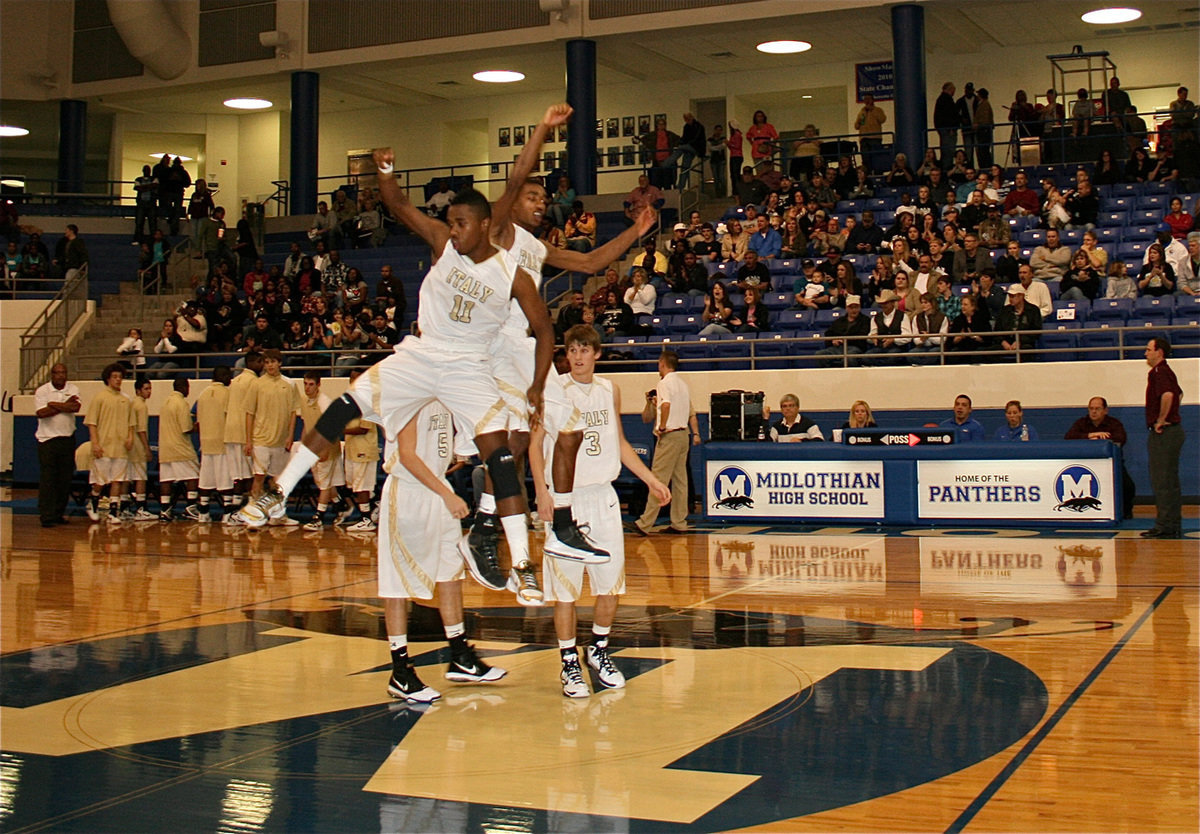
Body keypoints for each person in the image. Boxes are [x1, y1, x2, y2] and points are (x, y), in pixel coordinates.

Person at [241, 160, 556, 612]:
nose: (453, 231)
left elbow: (544, 331)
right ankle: (278, 491)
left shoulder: (512, 274)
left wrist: (537, 386)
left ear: (485, 225)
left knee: (501, 456)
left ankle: (522, 564)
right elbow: (400, 203)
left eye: (461, 224)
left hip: (469, 367)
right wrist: (386, 173)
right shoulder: (443, 245)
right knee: (344, 406)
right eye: (449, 223)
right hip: (422, 354)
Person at [527, 325, 670, 698]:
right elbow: (535, 444)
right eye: (572, 350)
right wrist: (541, 491)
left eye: (584, 350)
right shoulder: (553, 390)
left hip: (603, 498)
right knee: (566, 592)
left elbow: (619, 443)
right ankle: (568, 663)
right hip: (565, 501)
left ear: (597, 354)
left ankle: (599, 650)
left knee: (610, 586)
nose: (577, 357)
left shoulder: (610, 390)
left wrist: (652, 480)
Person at [378, 399, 506, 703]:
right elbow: (408, 455)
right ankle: (400, 670)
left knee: (450, 574)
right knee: (398, 585)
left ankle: (460, 654)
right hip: (408, 493)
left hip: (437, 490)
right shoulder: (409, 392)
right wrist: (444, 491)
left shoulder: (447, 391)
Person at [632, 350, 692, 535]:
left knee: (657, 479)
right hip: (684, 435)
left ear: (662, 363)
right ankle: (679, 522)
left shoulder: (664, 383)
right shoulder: (683, 384)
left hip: (671, 435)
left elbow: (666, 405)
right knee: (680, 481)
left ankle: (645, 522)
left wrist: (662, 426)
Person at [242, 349, 301, 521]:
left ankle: (277, 516)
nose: (270, 366)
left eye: (273, 362)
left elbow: (293, 413)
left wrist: (290, 436)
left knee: (278, 481)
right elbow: (249, 413)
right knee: (259, 478)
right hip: (260, 440)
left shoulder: (289, 384)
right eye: (267, 363)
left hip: (280, 441)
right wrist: (248, 441)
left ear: (280, 363)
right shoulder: (256, 384)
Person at [1065, 396, 1136, 519]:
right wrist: (1089, 435)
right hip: (1087, 465)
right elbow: (1069, 437)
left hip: (1112, 465)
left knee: (1128, 486)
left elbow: (1120, 439)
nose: (1093, 411)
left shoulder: (1114, 423)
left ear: (1105, 410)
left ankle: (1126, 513)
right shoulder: (1081, 423)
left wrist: (1099, 440)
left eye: (1097, 408)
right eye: (1091, 408)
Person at [1142, 338, 1185, 538]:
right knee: (1170, 481)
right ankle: (1172, 523)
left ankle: (1165, 525)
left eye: (1149, 350)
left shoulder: (1159, 372)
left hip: (1165, 433)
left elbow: (1168, 395)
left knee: (1162, 481)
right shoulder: (1167, 372)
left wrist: (1161, 419)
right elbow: (1179, 394)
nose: (1146, 353)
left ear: (1159, 352)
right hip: (1173, 431)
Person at [84, 364, 135, 523]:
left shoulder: (126, 399)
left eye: (120, 377)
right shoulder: (100, 398)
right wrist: (95, 443)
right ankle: (92, 503)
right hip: (104, 446)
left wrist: (130, 437)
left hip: (120, 448)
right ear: (108, 379)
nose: (118, 380)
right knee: (100, 481)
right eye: (114, 377)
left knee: (117, 480)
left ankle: (114, 512)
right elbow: (92, 422)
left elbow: (131, 423)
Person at [298, 372, 348, 531]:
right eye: (305, 384)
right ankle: (341, 506)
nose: (307, 388)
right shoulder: (304, 400)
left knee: (324, 484)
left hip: (327, 447)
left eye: (311, 384)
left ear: (318, 385)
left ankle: (318, 517)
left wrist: (325, 449)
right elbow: (306, 424)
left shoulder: (324, 401)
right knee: (322, 482)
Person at [34, 363, 81, 527]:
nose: (61, 375)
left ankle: (58, 513)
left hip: (67, 439)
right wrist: (63, 406)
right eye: (57, 373)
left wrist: (53, 404)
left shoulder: (73, 388)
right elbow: (41, 413)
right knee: (49, 480)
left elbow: (75, 407)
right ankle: (46, 516)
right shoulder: (42, 391)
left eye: (63, 372)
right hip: (47, 441)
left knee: (64, 479)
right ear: (52, 375)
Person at [341, 366, 380, 532]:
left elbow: (364, 428)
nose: (353, 382)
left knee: (362, 486)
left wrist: (340, 430)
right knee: (354, 485)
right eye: (351, 378)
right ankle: (374, 505)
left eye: (356, 378)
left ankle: (366, 519)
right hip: (351, 449)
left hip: (364, 450)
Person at [157, 377, 202, 521]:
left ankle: (164, 509)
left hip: (165, 449)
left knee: (166, 479)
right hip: (180, 448)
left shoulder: (165, 403)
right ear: (183, 387)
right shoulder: (181, 403)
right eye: (187, 387)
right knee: (193, 476)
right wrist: (201, 425)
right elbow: (186, 428)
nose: (188, 390)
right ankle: (191, 507)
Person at [195, 365, 235, 521]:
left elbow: (198, 422)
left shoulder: (202, 394)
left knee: (205, 479)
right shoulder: (227, 394)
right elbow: (231, 419)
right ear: (224, 377)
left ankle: (203, 513)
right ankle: (227, 514)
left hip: (205, 442)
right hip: (222, 442)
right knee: (225, 480)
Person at [123, 377, 156, 521]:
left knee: (127, 477)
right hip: (137, 447)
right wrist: (147, 448)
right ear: (138, 390)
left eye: (150, 389)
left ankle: (124, 509)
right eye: (146, 389)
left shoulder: (130, 404)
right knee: (140, 478)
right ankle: (141, 509)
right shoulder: (141, 406)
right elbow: (141, 430)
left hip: (128, 447)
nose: (149, 392)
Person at [994, 282, 1043, 360]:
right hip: (1006, 342)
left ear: (1021, 296)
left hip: (1024, 343)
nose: (1010, 299)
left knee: (1027, 350)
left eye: (1013, 296)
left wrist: (1020, 341)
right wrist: (1003, 341)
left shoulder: (1033, 310)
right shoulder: (1004, 310)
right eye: (1009, 296)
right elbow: (997, 330)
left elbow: (1036, 331)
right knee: (984, 352)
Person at [816, 295, 869, 366]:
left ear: (859, 308)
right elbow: (829, 333)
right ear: (846, 308)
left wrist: (844, 340)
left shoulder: (865, 320)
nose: (854, 310)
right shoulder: (839, 321)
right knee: (820, 355)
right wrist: (833, 340)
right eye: (851, 307)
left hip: (854, 347)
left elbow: (862, 335)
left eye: (856, 307)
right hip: (837, 348)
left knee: (849, 358)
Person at [133, 164, 158, 243]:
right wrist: (149, 186)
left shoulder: (154, 178)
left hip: (151, 203)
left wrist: (143, 187)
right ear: (143, 171)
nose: (147, 171)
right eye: (146, 170)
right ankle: (138, 239)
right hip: (141, 203)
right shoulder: (138, 179)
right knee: (139, 222)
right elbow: (137, 188)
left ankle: (153, 240)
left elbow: (155, 186)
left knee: (152, 223)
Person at [708, 122, 727, 197]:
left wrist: (715, 148)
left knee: (721, 177)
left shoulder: (723, 138)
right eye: (717, 130)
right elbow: (710, 148)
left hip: (721, 160)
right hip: (713, 160)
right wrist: (720, 146)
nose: (718, 132)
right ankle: (717, 193)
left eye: (720, 130)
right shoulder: (710, 139)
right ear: (714, 130)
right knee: (715, 177)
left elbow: (723, 146)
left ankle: (723, 192)